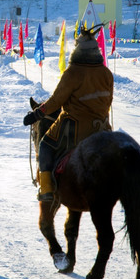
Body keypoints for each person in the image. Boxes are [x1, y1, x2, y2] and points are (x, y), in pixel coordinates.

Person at [23, 27, 113, 202]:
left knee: (45, 146)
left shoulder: (73, 73)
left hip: (74, 129)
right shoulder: (106, 73)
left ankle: (47, 189)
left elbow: (56, 102)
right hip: (102, 128)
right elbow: (108, 101)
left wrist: (36, 115)